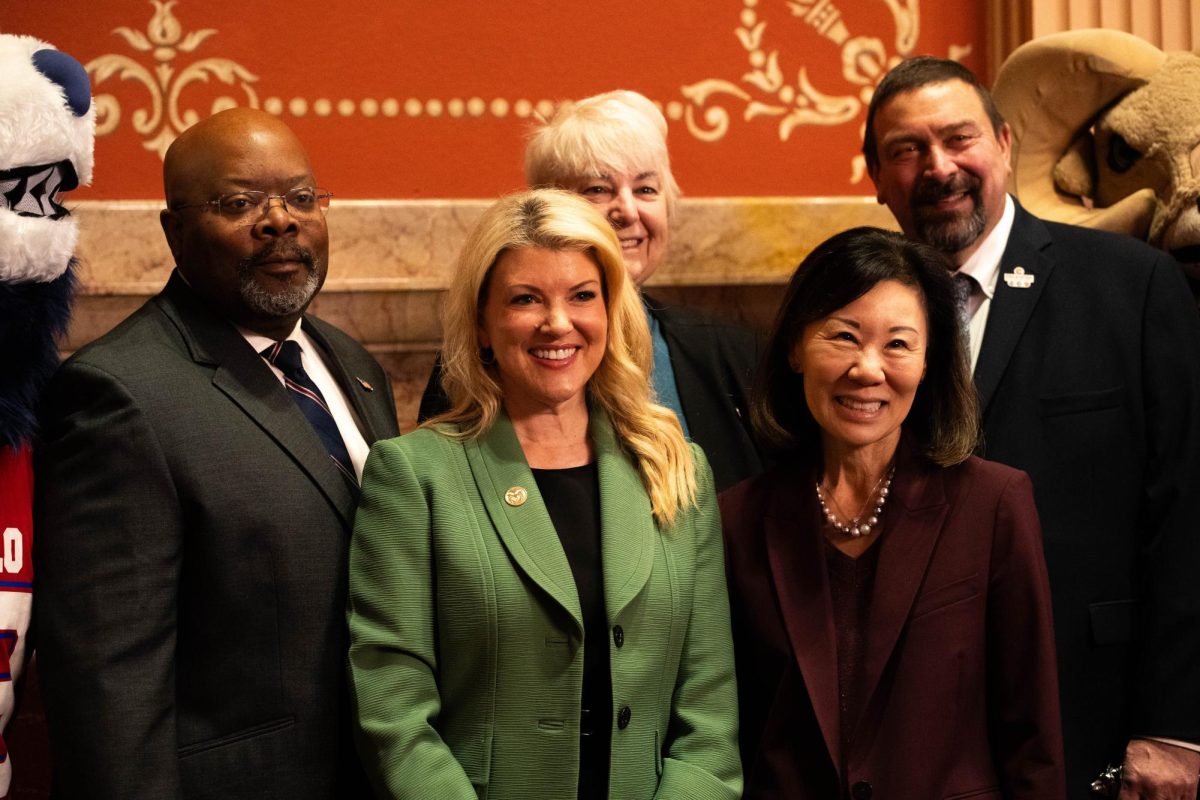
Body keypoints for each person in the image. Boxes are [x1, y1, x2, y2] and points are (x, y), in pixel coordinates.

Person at [33, 108, 398, 798]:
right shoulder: (118, 394)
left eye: (300, 198)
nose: (280, 221)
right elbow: (111, 683)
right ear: (174, 231)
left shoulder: (348, 360)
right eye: (238, 203)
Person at [864, 56, 1200, 798]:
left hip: (1097, 716)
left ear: (1006, 144)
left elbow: (1189, 514)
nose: (938, 167)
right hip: (913, 734)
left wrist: (1177, 725)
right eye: (907, 150)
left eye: (959, 139)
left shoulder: (1133, 287)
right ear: (876, 179)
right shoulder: (852, 321)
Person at [349, 188, 741, 799]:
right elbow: (393, 712)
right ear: (482, 322)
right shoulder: (414, 476)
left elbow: (710, 714)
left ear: (610, 311)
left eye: (582, 296)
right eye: (525, 299)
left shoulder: (674, 466)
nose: (558, 323)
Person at [721, 226, 1064, 798]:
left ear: (929, 362)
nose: (868, 369)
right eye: (844, 336)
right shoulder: (736, 520)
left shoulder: (993, 505)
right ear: (795, 349)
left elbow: (1032, 735)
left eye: (898, 344)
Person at [420, 89, 762, 491]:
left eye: (646, 189)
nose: (628, 211)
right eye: (598, 190)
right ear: (548, 212)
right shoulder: (476, 360)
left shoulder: (735, 352)